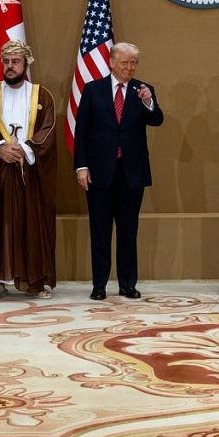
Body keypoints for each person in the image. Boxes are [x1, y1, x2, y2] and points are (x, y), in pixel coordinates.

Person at [73, 42, 163, 300]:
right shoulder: (93, 90)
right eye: (125, 63)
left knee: (128, 232)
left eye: (133, 63)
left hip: (131, 174)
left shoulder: (143, 90)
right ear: (112, 62)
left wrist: (149, 103)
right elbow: (81, 133)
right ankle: (99, 285)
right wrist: (81, 167)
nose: (130, 68)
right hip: (99, 173)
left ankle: (127, 284)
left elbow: (157, 120)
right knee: (100, 232)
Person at [0, 40, 57, 300]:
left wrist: (25, 150)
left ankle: (38, 280)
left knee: (33, 224)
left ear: (26, 63)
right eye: (6, 62)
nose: (10, 67)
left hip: (30, 173)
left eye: (15, 61)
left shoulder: (42, 95)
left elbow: (48, 128)